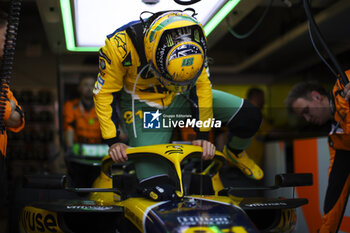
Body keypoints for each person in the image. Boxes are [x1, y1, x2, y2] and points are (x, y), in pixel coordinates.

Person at [93, 10, 263, 201]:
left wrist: (203, 135)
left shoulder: (196, 37)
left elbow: (202, 87)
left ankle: (235, 152)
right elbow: (104, 93)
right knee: (157, 189)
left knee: (249, 115)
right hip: (143, 108)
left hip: (182, 96)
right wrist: (113, 140)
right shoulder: (118, 46)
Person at [285, 76, 350, 233]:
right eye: (303, 117)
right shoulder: (336, 137)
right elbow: (336, 188)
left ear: (316, 96)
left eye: (306, 111)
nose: (307, 119)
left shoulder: (343, 86)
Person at [0, 8, 25, 219]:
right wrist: (9, 108)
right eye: (6, 34)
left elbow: (17, 117)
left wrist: (9, 109)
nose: (9, 43)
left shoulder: (2, 80)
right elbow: (8, 111)